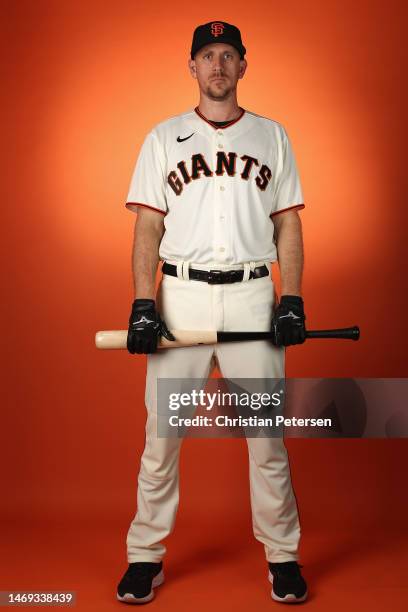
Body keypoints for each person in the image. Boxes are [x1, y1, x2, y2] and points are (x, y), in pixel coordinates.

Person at [116, 21, 308, 605]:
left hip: (253, 294)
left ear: (243, 66)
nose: (218, 65)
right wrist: (143, 302)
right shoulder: (162, 137)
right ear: (192, 67)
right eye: (208, 56)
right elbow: (148, 226)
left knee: (268, 437)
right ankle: (145, 555)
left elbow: (288, 224)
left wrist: (293, 297)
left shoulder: (272, 136)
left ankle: (283, 556)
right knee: (163, 435)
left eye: (228, 55)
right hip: (181, 299)